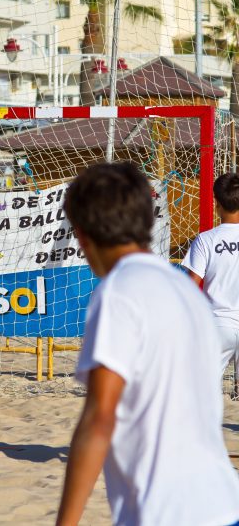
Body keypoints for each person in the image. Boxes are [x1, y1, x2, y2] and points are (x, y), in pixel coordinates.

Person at [56, 162, 239, 525]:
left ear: (82, 236)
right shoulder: (178, 290)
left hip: (167, 512)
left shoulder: (119, 291)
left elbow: (99, 418)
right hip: (224, 502)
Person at [181, 173, 239, 399]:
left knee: (206, 395)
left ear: (216, 204)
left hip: (217, 324)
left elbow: (190, 287)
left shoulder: (206, 240)